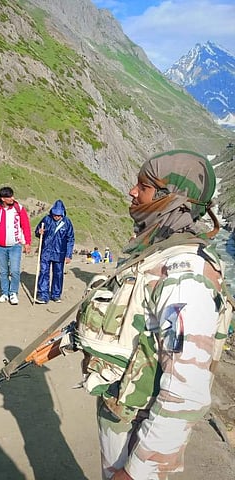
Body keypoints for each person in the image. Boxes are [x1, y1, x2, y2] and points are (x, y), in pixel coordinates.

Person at [75, 150, 232, 479]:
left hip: (138, 430)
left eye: (143, 186)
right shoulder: (156, 250)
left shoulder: (186, 277)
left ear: (172, 199)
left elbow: (185, 392)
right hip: (120, 413)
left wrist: (137, 471)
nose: (132, 191)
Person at [0, 186, 32, 305]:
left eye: (12, 196)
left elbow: (26, 226)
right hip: (0, 247)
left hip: (15, 246)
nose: (12, 198)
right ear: (3, 198)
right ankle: (5, 293)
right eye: (9, 197)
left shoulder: (19, 209)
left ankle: (13, 293)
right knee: (3, 271)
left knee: (14, 271)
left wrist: (27, 243)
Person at [34, 199, 75, 303]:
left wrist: (68, 255)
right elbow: (37, 232)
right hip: (46, 251)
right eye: (55, 214)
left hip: (60, 253)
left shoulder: (67, 222)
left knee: (58, 274)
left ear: (62, 214)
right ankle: (43, 295)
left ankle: (56, 294)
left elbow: (70, 239)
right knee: (44, 272)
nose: (56, 217)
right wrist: (39, 232)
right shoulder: (46, 219)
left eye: (58, 215)